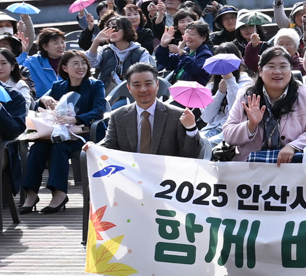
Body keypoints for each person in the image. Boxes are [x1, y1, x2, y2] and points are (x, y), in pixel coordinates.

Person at [15, 50, 100, 213]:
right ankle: (31, 193)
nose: (81, 67)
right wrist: (43, 99)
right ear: (65, 68)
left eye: (83, 63)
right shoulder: (58, 86)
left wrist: (76, 119)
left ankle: (59, 193)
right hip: (57, 132)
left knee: (59, 148)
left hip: (83, 132)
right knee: (38, 147)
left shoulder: (95, 85)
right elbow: (38, 104)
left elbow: (99, 110)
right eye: (75, 64)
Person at [223, 46, 306, 163]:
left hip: (294, 165)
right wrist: (250, 125)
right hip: (251, 166)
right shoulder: (246, 95)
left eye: (283, 66)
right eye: (271, 66)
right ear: (260, 71)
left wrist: (293, 146)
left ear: (291, 70)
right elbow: (228, 135)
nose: (277, 71)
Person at [99, 63, 202, 159]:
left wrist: (191, 128)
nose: (143, 89)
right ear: (129, 88)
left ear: (157, 85)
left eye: (148, 84)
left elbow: (190, 155)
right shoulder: (118, 116)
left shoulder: (176, 116)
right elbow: (108, 145)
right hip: (130, 173)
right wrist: (93, 149)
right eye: (137, 85)